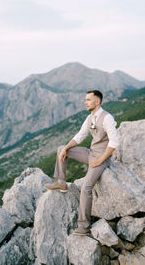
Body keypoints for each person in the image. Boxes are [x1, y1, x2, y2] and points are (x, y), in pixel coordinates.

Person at [44, 90, 118, 236]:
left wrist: (100, 159)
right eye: (85, 99)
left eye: (89, 100)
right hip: (91, 154)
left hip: (102, 158)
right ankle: (61, 182)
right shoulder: (90, 118)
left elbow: (115, 142)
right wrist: (66, 148)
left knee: (86, 188)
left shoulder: (107, 118)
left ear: (97, 102)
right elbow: (80, 136)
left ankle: (84, 226)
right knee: (61, 149)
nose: (86, 102)